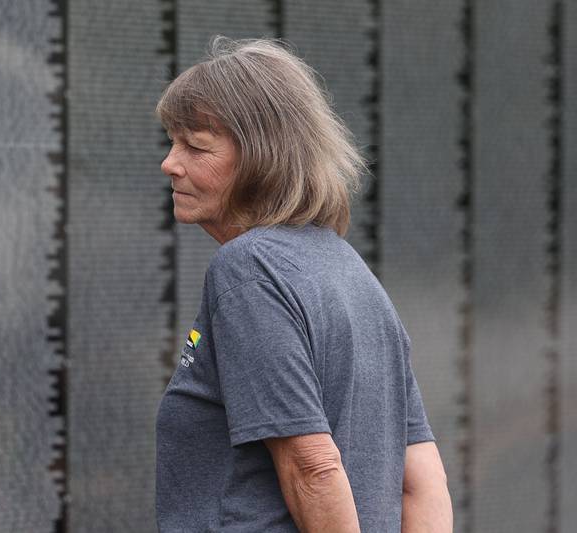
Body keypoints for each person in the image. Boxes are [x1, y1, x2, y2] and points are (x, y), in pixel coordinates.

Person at [154, 36, 453, 533]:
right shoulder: (352, 271)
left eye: (195, 145)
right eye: (171, 141)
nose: (170, 162)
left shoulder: (248, 270)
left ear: (261, 157)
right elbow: (422, 482)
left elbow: (312, 466)